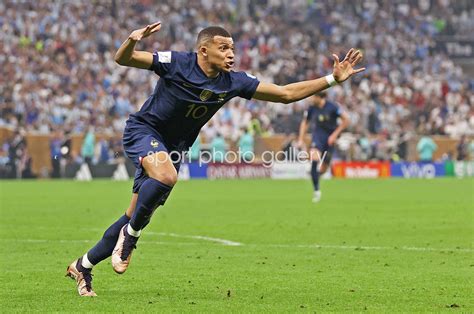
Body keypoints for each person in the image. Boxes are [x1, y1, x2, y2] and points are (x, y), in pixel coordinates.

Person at [66, 22, 364, 296]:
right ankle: (130, 239)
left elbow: (284, 94)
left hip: (174, 148)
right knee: (166, 179)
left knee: (133, 213)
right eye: (224, 48)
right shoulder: (177, 63)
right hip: (144, 130)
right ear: (204, 50)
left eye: (232, 48)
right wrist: (131, 42)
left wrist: (332, 80)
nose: (231, 54)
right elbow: (124, 59)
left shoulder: (233, 82)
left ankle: (84, 265)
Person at [297, 92, 350, 203]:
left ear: (320, 97)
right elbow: (305, 123)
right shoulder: (312, 108)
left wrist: (335, 135)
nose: (311, 98)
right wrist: (300, 139)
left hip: (330, 139)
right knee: (314, 159)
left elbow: (346, 120)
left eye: (313, 96)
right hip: (318, 137)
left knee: (324, 168)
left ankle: (315, 176)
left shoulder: (333, 107)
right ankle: (316, 191)